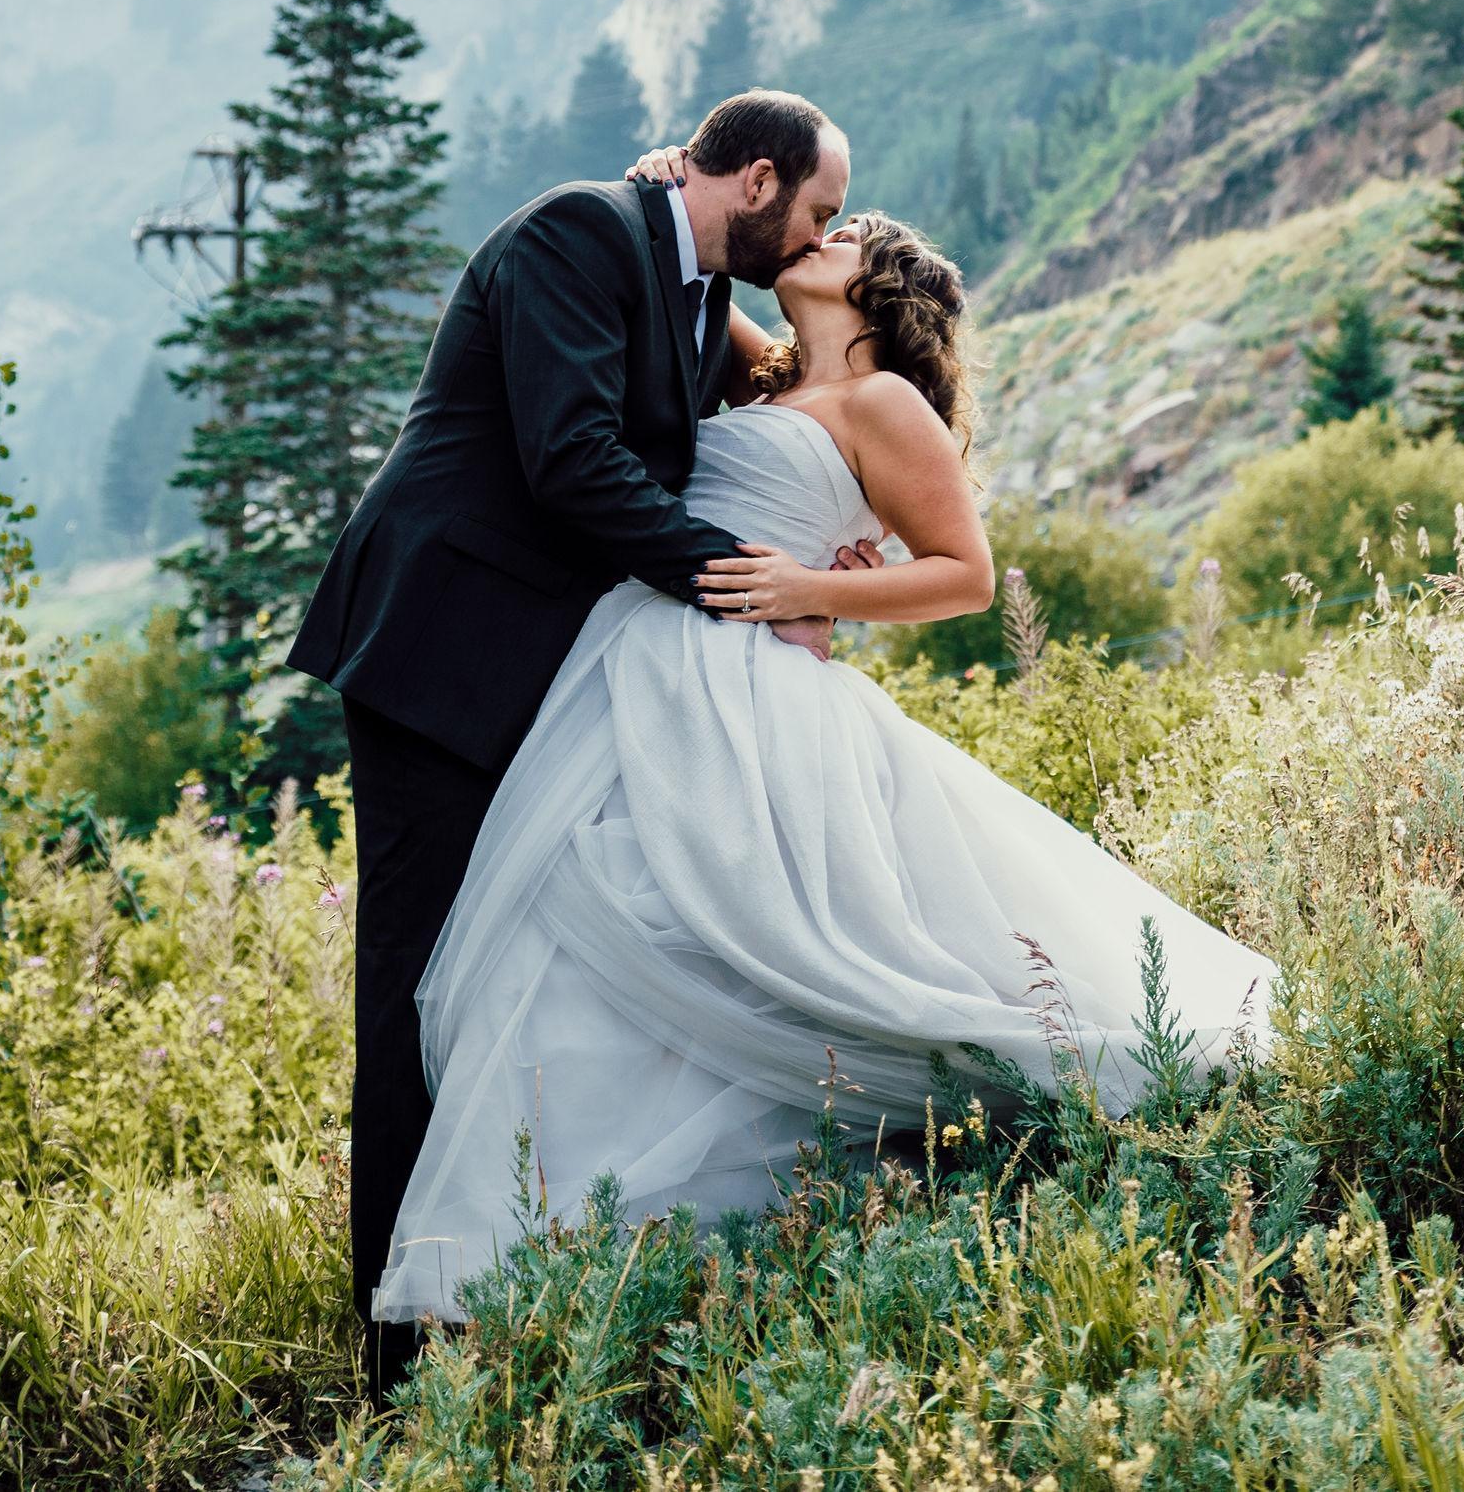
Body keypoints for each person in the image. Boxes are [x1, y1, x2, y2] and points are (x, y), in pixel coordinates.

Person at [368, 202, 1273, 1325]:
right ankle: (534, 1249)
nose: (816, 236)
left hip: (753, 693)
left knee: (742, 932)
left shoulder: (882, 401)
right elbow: (684, 261)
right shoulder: (770, 374)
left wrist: (816, 589)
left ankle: (704, 1229)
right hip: (632, 676)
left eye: (844, 236)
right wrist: (661, 179)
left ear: (879, 290)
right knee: (588, 941)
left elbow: (964, 574)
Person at [284, 88, 855, 1398]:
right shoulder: (576, 233)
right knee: (415, 988)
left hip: (551, 678)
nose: (822, 234)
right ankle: (394, 1363)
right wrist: (753, 587)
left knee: (513, 980)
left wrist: (836, 547)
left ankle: (496, 1294)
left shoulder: (700, 283)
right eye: (817, 210)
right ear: (757, 180)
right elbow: (575, 462)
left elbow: (793, 406)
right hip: (440, 655)